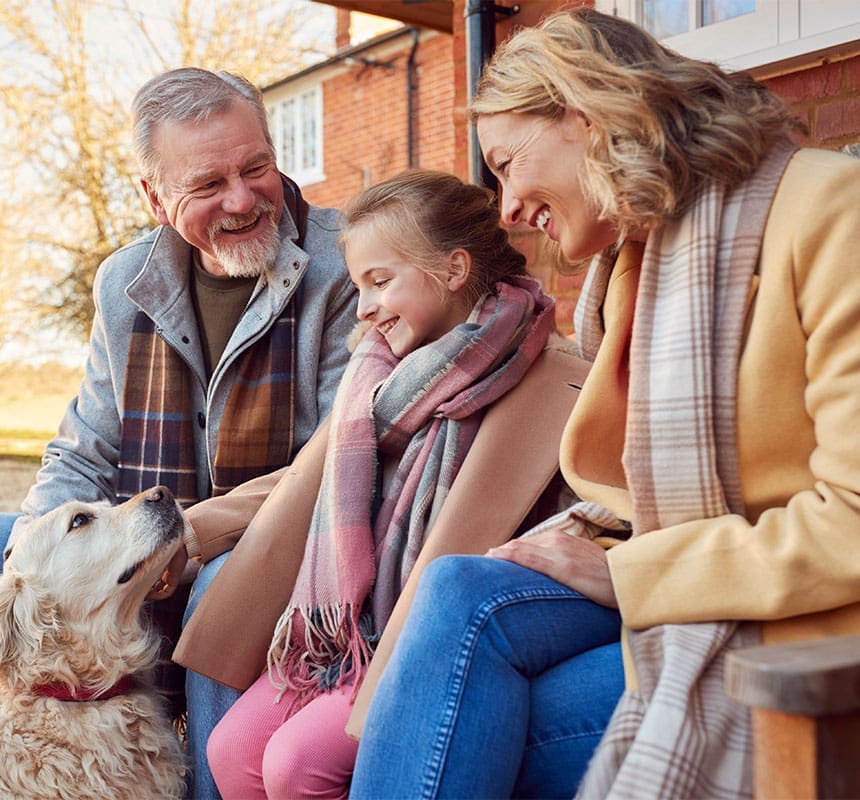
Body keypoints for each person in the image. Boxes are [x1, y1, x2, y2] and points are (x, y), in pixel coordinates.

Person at [348, 8, 860, 799]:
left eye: (508, 162)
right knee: (456, 589)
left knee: (460, 721)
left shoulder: (832, 212)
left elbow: (852, 523)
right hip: (683, 576)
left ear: (587, 113)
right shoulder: (636, 267)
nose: (507, 206)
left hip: (810, 621)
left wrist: (630, 574)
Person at [0, 67, 358, 799]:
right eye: (207, 185)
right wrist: (29, 560)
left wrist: (188, 538)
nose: (241, 199)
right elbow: (84, 448)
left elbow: (337, 457)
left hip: (275, 549)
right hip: (151, 538)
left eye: (256, 167)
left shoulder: (344, 263)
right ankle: (10, 768)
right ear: (155, 198)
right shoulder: (124, 280)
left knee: (221, 587)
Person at [197, 169, 582, 799]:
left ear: (454, 269)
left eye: (382, 281)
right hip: (344, 631)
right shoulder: (374, 374)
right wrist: (196, 527)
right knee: (230, 749)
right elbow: (304, 482)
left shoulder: (548, 376)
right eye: (358, 286)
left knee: (297, 763)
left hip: (419, 630)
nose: (367, 305)